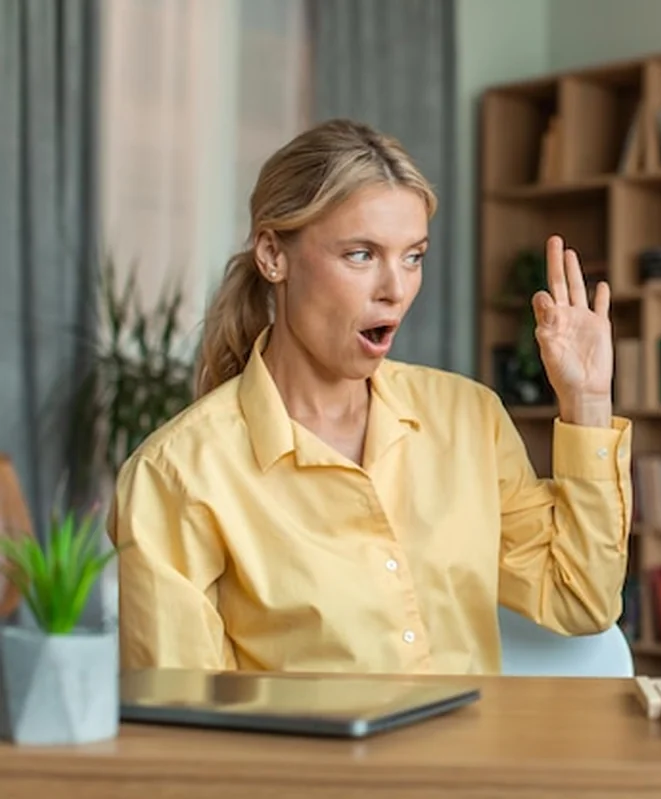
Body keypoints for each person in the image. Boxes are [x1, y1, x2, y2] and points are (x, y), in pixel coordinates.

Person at [108, 118, 633, 675]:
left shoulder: (470, 418)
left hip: (469, 736)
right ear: (273, 255)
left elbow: (580, 599)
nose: (395, 290)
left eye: (413, 256)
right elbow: (185, 710)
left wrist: (587, 401)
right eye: (361, 255)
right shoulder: (177, 475)